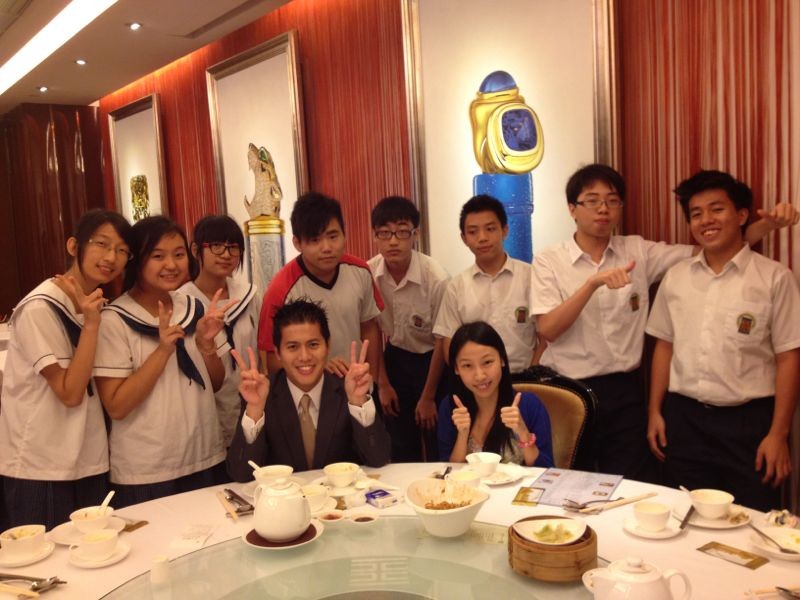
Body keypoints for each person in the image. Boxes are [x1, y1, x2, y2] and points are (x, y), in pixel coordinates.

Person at [530, 164, 798, 480]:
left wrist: (766, 226)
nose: (603, 209)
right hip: (569, 390)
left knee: (629, 486)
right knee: (570, 483)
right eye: (592, 200)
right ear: (572, 209)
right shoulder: (550, 260)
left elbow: (713, 246)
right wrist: (591, 285)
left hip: (626, 391)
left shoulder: (638, 252)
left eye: (612, 200)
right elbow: (548, 329)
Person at [646, 170, 800, 511]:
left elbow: (789, 357)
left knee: (751, 522)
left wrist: (779, 434)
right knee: (684, 518)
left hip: (749, 425)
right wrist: (655, 411)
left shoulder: (775, 278)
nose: (706, 220)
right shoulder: (676, 277)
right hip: (684, 420)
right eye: (696, 213)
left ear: (742, 215)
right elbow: (664, 346)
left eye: (717, 209)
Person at [0, 209, 132, 528]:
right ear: (74, 246)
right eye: (101, 244)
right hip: (41, 464)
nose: (111, 257)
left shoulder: (96, 305)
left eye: (121, 250)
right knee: (44, 554)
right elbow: (70, 392)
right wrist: (91, 325)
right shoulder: (40, 307)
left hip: (88, 458)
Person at [94, 216, 235, 507]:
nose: (171, 264)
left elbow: (216, 383)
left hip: (204, 456)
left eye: (179, 254)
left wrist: (207, 345)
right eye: (158, 256)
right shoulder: (115, 320)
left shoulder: (195, 308)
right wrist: (161, 352)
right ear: (137, 260)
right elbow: (116, 405)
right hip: (146, 470)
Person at [227, 299, 391, 479]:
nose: (304, 357)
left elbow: (379, 459)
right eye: (293, 347)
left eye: (313, 345)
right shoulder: (262, 394)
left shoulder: (347, 388)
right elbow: (240, 474)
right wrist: (255, 410)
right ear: (278, 352)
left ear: (327, 345)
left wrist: (358, 401)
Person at [258, 192, 383, 385]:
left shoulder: (360, 271)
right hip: (308, 390)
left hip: (358, 382)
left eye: (333, 236)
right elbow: (272, 359)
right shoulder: (280, 289)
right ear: (297, 243)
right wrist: (316, 367)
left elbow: (369, 329)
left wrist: (373, 381)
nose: (326, 247)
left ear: (344, 234)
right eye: (315, 240)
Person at [367, 196, 449, 461]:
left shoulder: (435, 277)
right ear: (375, 236)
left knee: (436, 438)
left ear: (416, 234)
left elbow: (442, 340)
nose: (393, 241)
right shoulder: (369, 274)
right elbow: (372, 331)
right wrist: (382, 383)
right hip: (395, 358)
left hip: (433, 361)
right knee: (399, 442)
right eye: (385, 233)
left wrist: (428, 397)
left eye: (402, 232)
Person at [180, 215, 261, 447]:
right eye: (216, 246)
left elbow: (263, 349)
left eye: (233, 247)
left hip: (250, 404)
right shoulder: (182, 302)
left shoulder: (249, 296)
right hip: (203, 414)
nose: (226, 254)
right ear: (196, 250)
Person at [433, 195, 537, 373]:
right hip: (477, 381)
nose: (482, 238)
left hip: (525, 377)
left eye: (490, 229)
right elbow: (449, 342)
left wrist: (534, 374)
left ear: (505, 230)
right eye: (473, 232)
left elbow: (545, 336)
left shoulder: (531, 277)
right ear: (464, 238)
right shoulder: (457, 287)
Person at [438, 321, 553, 467]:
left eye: (487, 362)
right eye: (467, 365)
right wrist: (462, 434)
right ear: (456, 369)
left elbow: (547, 471)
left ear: (502, 360)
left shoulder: (530, 405)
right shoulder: (450, 407)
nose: (480, 375)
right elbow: (448, 472)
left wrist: (523, 432)